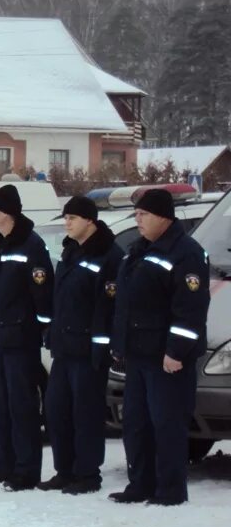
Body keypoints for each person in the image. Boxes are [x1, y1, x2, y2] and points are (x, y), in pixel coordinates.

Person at [108, 189, 210, 506]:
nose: (137, 221)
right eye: (136, 215)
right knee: (136, 423)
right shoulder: (139, 251)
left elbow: (189, 309)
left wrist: (176, 351)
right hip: (138, 354)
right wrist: (119, 344)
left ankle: (170, 489)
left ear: (164, 217)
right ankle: (141, 483)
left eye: (144, 215)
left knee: (167, 424)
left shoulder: (186, 253)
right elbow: (127, 305)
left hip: (166, 358)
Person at [39, 196, 123, 494]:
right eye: (66, 218)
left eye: (72, 218)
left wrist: (101, 346)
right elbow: (60, 297)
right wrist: (51, 330)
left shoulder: (109, 255)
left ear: (89, 220)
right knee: (57, 410)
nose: (67, 223)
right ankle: (65, 469)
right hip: (63, 347)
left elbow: (107, 307)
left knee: (85, 413)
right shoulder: (69, 251)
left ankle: (87, 474)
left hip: (88, 350)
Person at [0, 184, 54, 491]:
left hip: (21, 339)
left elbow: (43, 296)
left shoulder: (30, 246)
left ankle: (26, 470)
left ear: (6, 213)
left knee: (22, 407)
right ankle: (3, 463)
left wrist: (39, 329)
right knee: (2, 404)